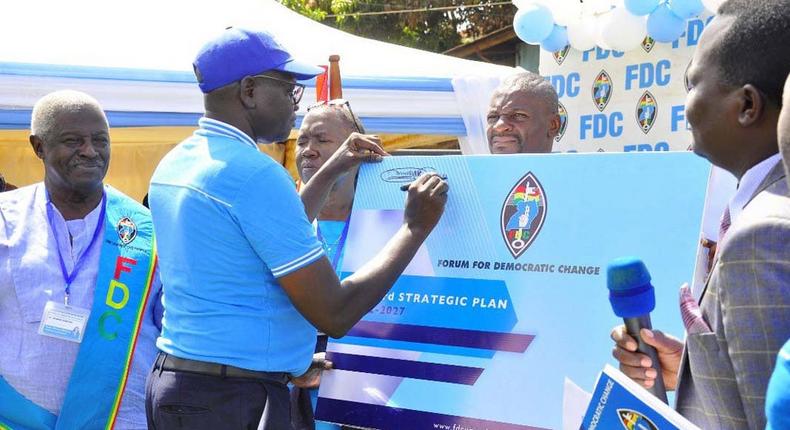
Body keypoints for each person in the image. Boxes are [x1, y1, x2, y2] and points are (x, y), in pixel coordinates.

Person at [145, 27, 448, 429]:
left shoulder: (177, 162)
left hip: (183, 384)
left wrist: (329, 170)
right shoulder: (254, 175)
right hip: (230, 399)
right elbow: (334, 313)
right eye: (290, 89)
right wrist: (414, 227)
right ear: (249, 90)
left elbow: (263, 236)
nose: (295, 103)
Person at [610, 1, 790, 428]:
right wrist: (698, 368)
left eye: (692, 83)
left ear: (747, 105)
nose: (684, 104)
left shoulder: (762, 234)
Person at [0, 90, 162, 429]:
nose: (90, 151)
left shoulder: (147, 232)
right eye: (73, 141)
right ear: (38, 147)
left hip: (117, 421)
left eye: (100, 140)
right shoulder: (5, 220)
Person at [290, 102, 364, 430]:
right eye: (302, 140)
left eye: (322, 140)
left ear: (358, 152)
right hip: (290, 404)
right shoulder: (281, 230)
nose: (308, 150)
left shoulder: (393, 232)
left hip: (366, 402)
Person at [486, 71, 561, 154]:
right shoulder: (472, 166)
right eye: (493, 117)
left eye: (518, 115)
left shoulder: (573, 167)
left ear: (553, 125)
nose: (499, 126)